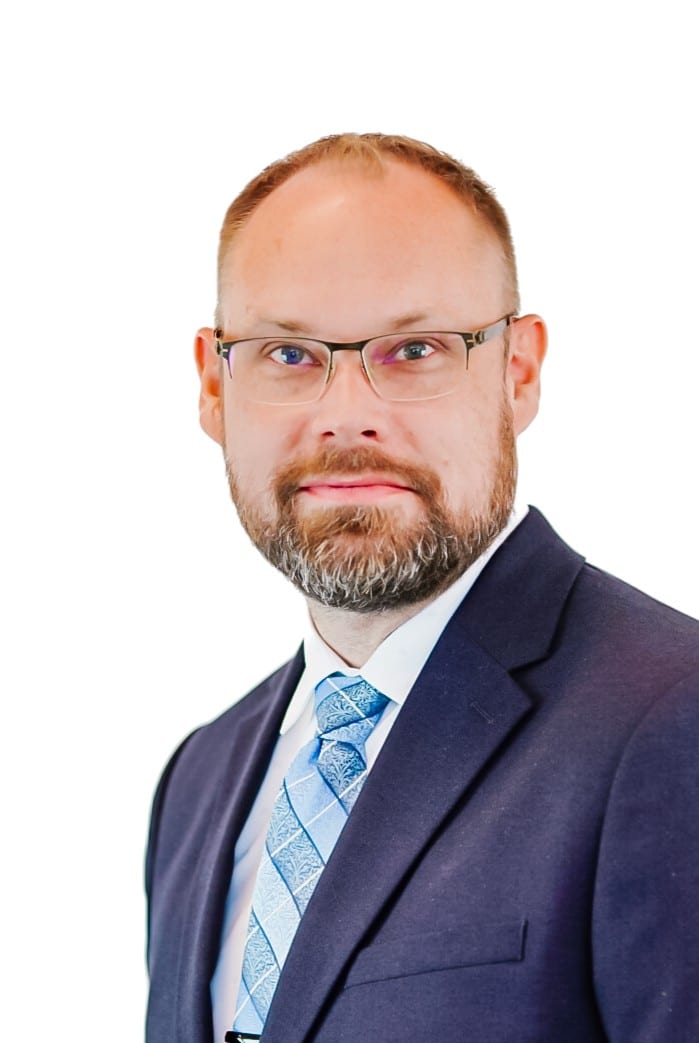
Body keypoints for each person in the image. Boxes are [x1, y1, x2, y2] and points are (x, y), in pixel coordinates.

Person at [145, 133, 699, 1043]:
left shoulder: (669, 724)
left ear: (517, 371)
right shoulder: (198, 780)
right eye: (288, 355)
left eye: (413, 349)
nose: (345, 414)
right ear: (214, 386)